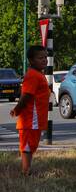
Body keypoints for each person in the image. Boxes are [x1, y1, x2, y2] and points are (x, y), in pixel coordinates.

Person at [10, 46, 49, 176]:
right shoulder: (32, 75)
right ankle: (26, 172)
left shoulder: (38, 74)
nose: (44, 60)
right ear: (31, 60)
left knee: (31, 146)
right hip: (30, 119)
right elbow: (26, 95)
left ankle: (27, 170)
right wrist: (17, 109)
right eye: (40, 58)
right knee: (27, 146)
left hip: (35, 120)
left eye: (45, 57)